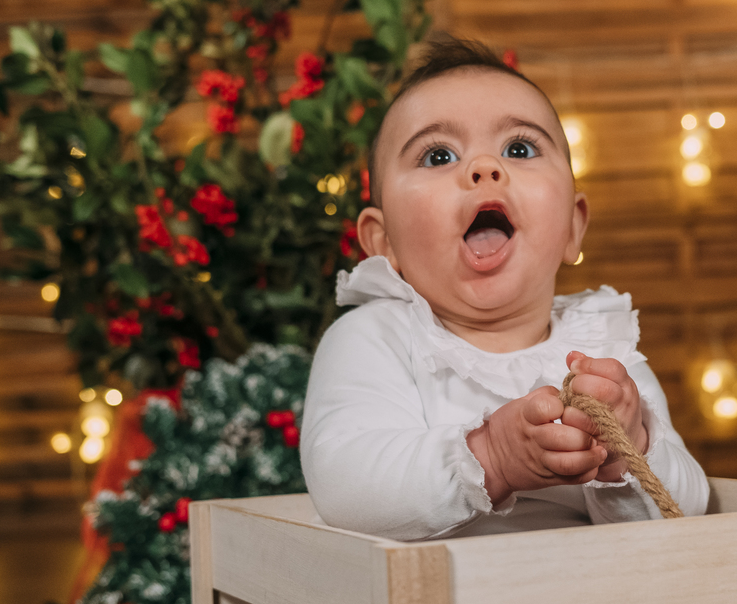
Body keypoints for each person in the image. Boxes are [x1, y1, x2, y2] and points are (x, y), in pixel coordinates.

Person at [301, 38, 710, 541]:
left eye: (519, 148)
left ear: (572, 228)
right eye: (437, 155)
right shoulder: (374, 338)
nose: (484, 168)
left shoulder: (605, 351)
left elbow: (688, 507)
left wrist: (630, 450)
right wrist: (492, 457)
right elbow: (345, 485)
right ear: (384, 244)